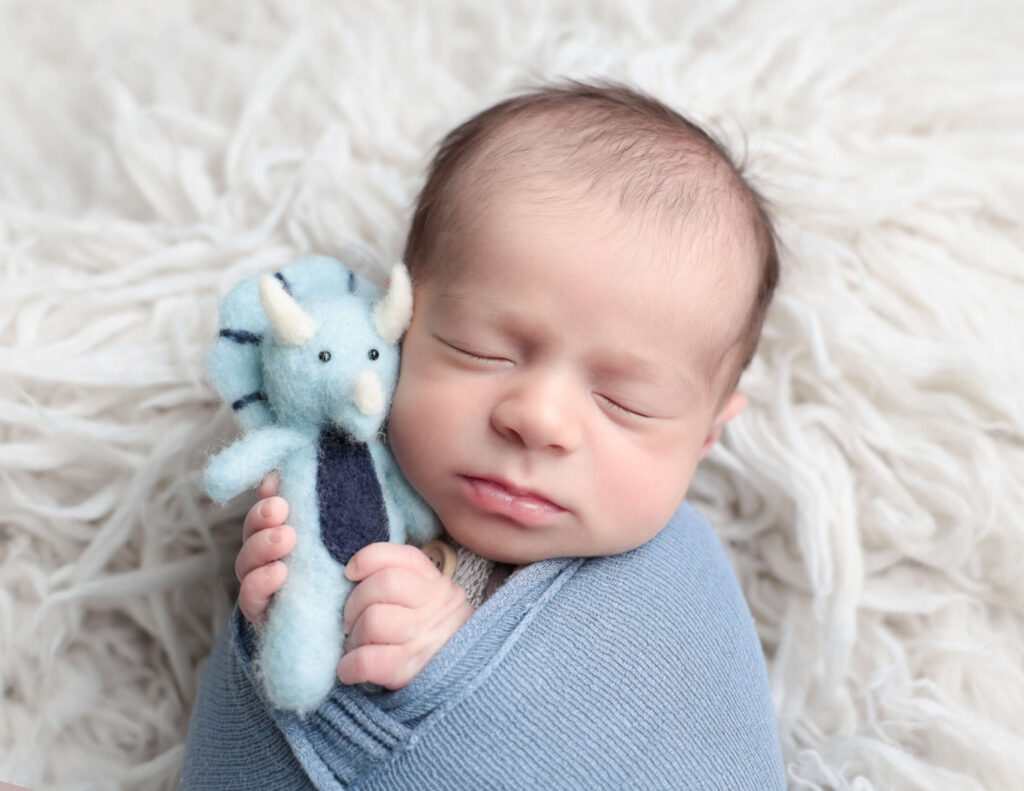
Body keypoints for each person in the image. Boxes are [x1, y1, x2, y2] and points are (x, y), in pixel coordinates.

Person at [181, 80, 786, 789]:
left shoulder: (673, 599)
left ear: (706, 435)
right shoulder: (347, 491)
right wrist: (285, 609)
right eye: (483, 349)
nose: (537, 418)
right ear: (401, 324)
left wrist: (448, 644)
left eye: (625, 400)